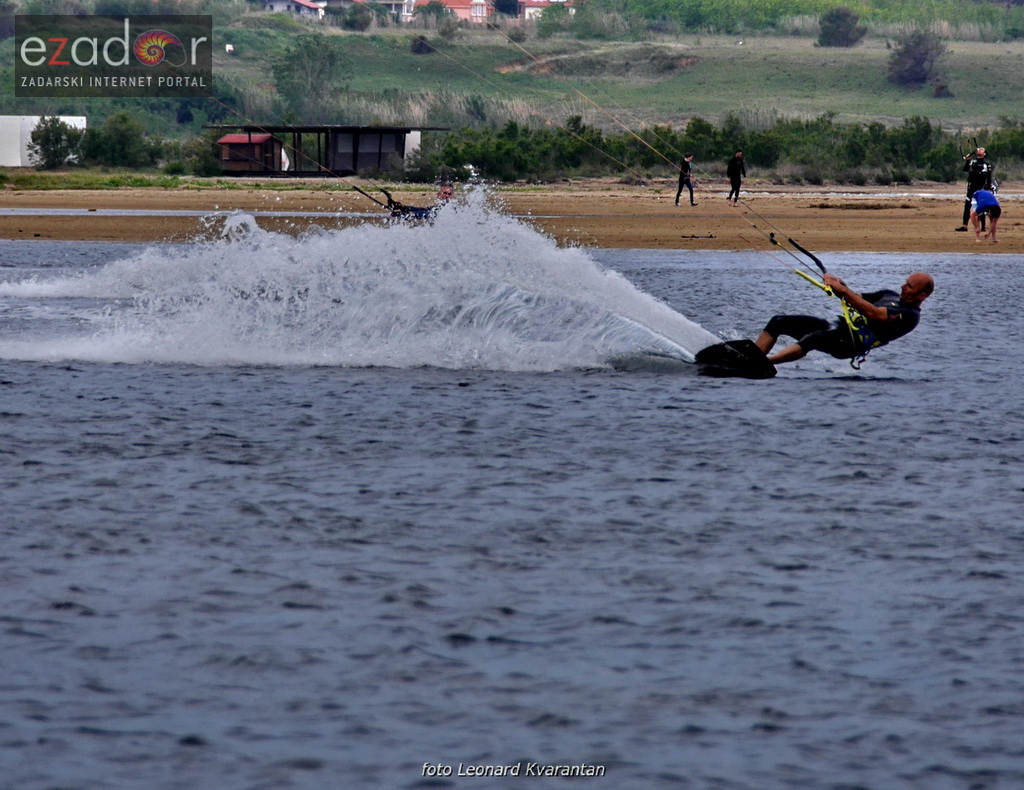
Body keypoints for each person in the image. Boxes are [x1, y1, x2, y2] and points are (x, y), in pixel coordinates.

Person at [754, 272, 934, 365]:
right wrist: (839, 284)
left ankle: (764, 364)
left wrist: (844, 291)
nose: (903, 287)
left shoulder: (910, 316)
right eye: (905, 283)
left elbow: (873, 313)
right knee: (779, 321)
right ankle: (752, 357)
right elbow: (855, 297)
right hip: (836, 328)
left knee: (815, 338)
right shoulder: (889, 294)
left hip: (849, 345)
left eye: (909, 287)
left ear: (922, 296)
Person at [956, 147, 994, 232]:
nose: (979, 150)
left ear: (984, 154)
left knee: (982, 207)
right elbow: (965, 169)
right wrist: (968, 160)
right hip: (971, 188)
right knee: (967, 206)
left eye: (982, 150)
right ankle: (964, 226)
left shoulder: (986, 165)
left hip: (981, 189)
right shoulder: (972, 163)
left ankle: (983, 226)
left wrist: (988, 189)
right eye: (979, 149)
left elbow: (989, 177)